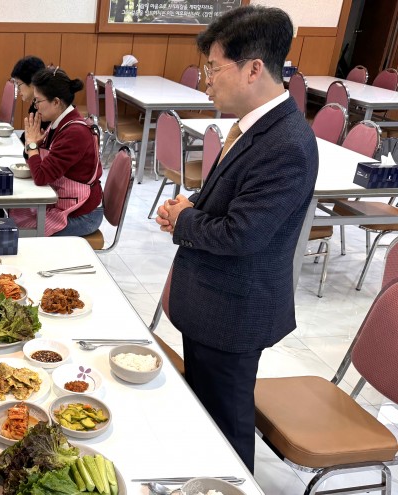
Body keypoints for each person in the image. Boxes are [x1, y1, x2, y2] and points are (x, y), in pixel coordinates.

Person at [154, 5, 319, 472]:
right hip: (210, 302)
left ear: (253, 69)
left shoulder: (286, 143)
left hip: (234, 313)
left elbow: (243, 234)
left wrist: (186, 222)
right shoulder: (252, 126)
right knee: (205, 415)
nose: (206, 81)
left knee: (226, 427)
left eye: (213, 68)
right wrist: (188, 208)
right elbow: (227, 205)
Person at [9, 67, 103, 237]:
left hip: (83, 215)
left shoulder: (74, 133)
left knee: (18, 234)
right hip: (62, 203)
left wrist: (31, 146)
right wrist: (32, 146)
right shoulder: (57, 123)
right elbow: (37, 163)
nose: (35, 107)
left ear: (56, 102)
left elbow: (41, 176)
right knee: (10, 216)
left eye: (38, 101)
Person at [11, 55, 48, 150]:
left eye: (19, 84)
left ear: (32, 82)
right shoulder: (36, 103)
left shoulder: (45, 108)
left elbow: (34, 141)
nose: (18, 90)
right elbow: (29, 134)